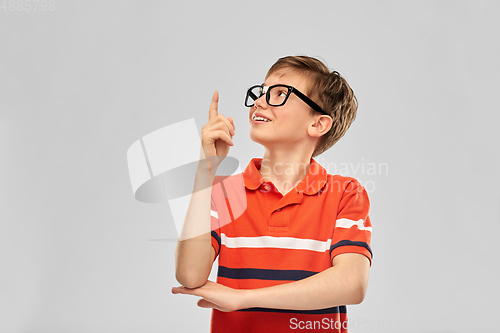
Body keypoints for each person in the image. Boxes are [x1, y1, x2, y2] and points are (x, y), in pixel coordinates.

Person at [172, 55, 372, 333]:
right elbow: (190, 276)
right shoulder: (225, 193)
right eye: (262, 91)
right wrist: (205, 173)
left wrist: (243, 299)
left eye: (280, 93)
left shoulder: (345, 193)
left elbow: (352, 284)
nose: (260, 101)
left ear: (318, 124)